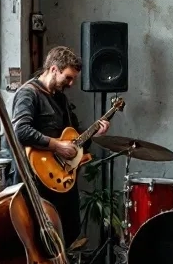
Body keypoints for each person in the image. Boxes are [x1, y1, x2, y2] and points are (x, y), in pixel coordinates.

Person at [10, 45, 110, 248]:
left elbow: (74, 140)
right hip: (35, 179)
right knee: (41, 240)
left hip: (59, 179)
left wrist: (93, 133)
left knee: (70, 229)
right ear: (54, 69)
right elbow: (20, 131)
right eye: (68, 77)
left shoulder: (60, 99)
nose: (71, 84)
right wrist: (56, 146)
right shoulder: (29, 94)